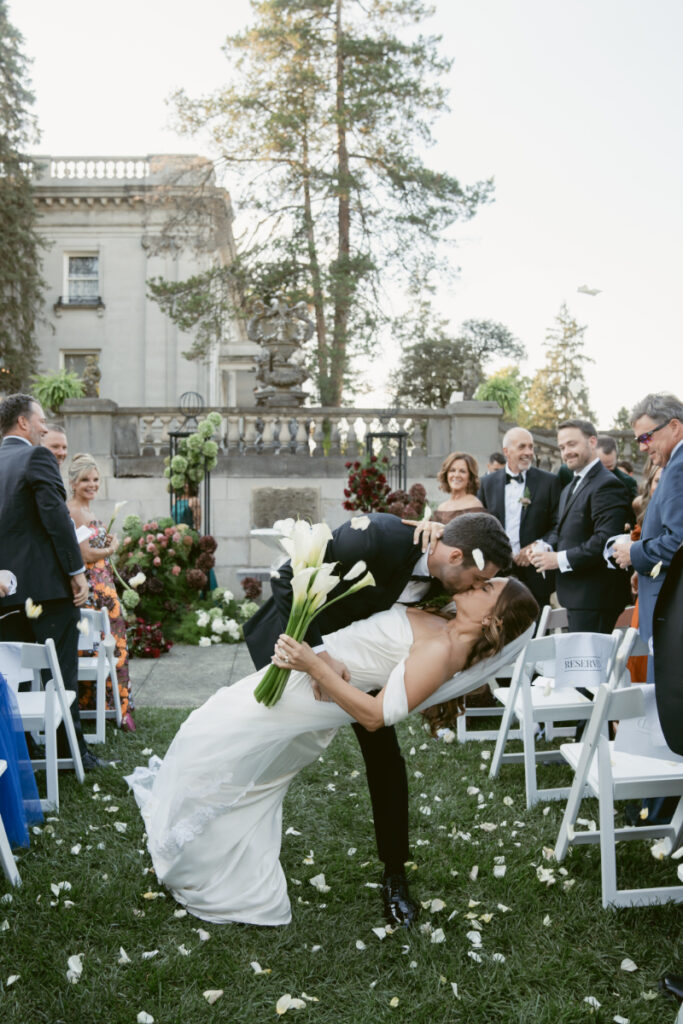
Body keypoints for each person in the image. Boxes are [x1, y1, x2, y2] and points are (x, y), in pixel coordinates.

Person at [127, 575, 538, 926]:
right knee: (226, 745)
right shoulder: (440, 612)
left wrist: (313, 664)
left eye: (487, 587)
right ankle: (204, 848)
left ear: (491, 618)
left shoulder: (443, 652)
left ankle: (199, 864)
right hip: (304, 671)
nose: (475, 582)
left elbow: (376, 716)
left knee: (208, 735)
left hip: (310, 687)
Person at [244, 511, 513, 926]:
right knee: (263, 747)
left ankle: (394, 875)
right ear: (456, 555)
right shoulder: (376, 539)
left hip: (364, 669)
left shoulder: (448, 577)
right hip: (300, 649)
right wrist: (317, 654)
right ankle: (240, 840)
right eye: (479, 579)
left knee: (386, 760)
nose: (479, 588)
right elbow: (285, 579)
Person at [0, 394, 100, 770]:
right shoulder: (35, 456)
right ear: (23, 423)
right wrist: (77, 574)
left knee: (15, 676)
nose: (44, 428)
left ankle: (23, 753)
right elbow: (56, 519)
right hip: (47, 589)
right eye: (40, 421)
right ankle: (71, 751)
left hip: (5, 593)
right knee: (59, 671)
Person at [530, 419, 631, 632]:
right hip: (574, 598)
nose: (566, 452)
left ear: (592, 441)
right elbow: (562, 529)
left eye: (572, 444)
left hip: (596, 599)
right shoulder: (569, 487)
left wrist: (557, 559)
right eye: (562, 447)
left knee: (590, 665)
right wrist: (545, 546)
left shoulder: (607, 484)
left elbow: (605, 540)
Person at [612, 393, 683, 679]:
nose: (642, 448)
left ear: (674, 426)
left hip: (673, 613)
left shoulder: (678, 468)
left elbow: (678, 542)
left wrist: (635, 554)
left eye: (646, 438)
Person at [67, 453, 135, 732]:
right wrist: (111, 548)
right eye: (85, 480)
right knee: (103, 647)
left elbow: (92, 545)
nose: (92, 485)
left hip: (105, 586)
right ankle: (109, 708)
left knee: (116, 645)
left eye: (95, 479)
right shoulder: (72, 510)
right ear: (73, 482)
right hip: (94, 591)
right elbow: (83, 555)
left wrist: (105, 541)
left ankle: (117, 707)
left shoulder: (89, 511)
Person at [478, 426, 561, 610]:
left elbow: (559, 525)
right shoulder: (486, 484)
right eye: (522, 447)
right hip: (496, 572)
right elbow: (479, 526)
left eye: (531, 447)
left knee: (538, 630)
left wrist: (538, 545)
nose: (528, 452)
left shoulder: (550, 482)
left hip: (535, 573)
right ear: (506, 451)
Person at [433, 451, 484, 523]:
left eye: (462, 471)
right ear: (446, 474)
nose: (456, 475)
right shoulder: (442, 507)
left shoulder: (474, 505)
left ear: (470, 477)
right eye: (452, 470)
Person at [596, 434, 638, 504]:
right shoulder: (580, 477)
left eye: (609, 467)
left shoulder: (628, 482)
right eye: (600, 466)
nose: (604, 472)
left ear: (616, 460)